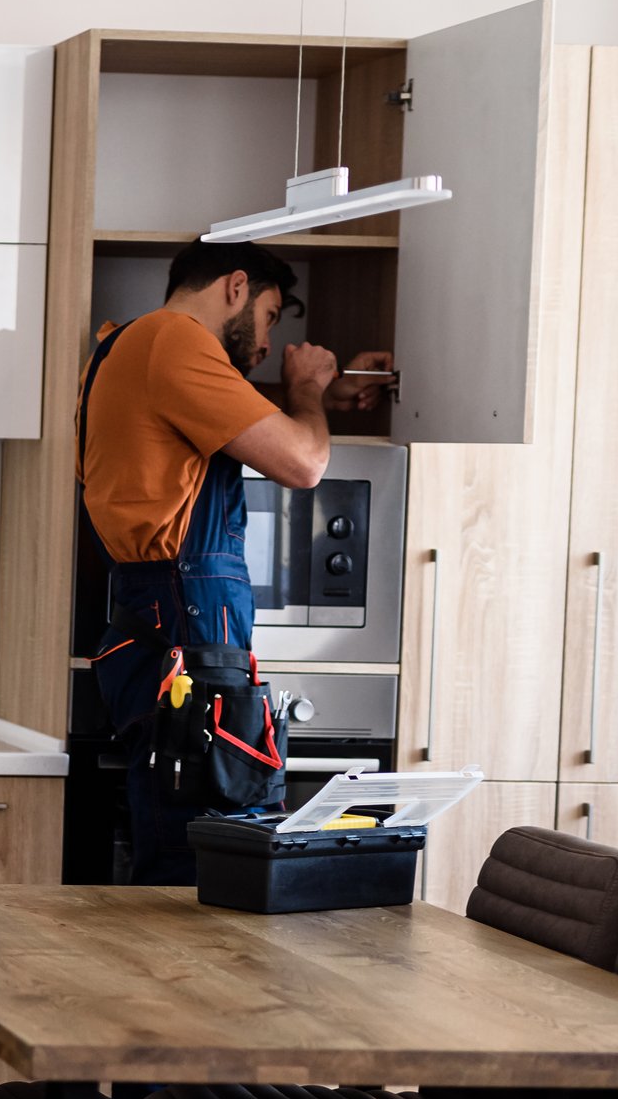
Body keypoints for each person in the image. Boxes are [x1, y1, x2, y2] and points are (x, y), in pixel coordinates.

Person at [78, 242, 390, 884]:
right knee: (210, 852)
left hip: (156, 614)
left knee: (180, 831)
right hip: (191, 614)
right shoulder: (176, 338)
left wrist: (322, 393)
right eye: (272, 316)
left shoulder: (123, 345)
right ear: (236, 286)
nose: (271, 342)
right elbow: (304, 463)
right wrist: (307, 394)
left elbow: (237, 415)